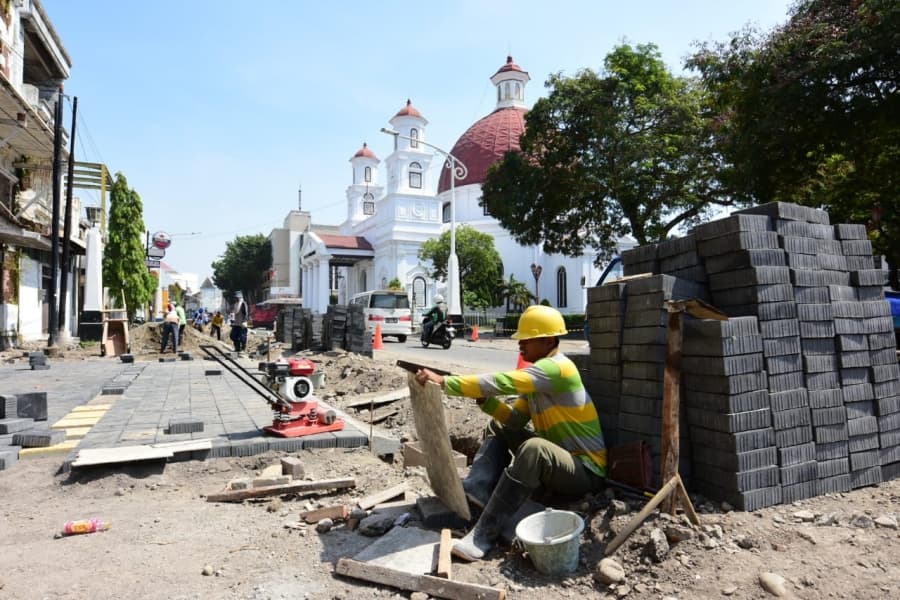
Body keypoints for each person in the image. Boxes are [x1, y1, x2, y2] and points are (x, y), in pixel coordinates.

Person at [415, 305, 606, 562]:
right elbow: (515, 420)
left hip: (585, 471)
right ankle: (479, 488)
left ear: (548, 340)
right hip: (560, 462)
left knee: (534, 448)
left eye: (526, 339)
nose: (520, 345)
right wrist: (488, 404)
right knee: (499, 427)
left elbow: (503, 381)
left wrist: (445, 382)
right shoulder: (539, 379)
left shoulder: (558, 369)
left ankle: (483, 534)